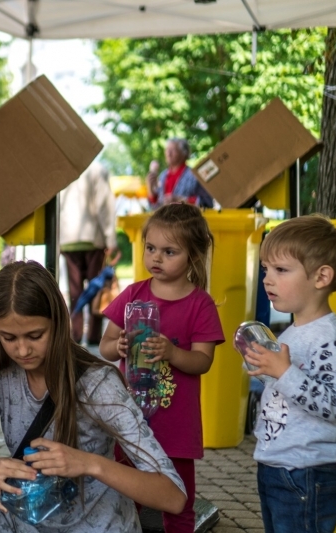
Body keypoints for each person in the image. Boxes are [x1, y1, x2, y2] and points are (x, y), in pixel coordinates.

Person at [0, 260, 186, 532]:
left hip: (99, 526)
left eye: (35, 335)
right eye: (9, 337)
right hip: (23, 521)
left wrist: (90, 464)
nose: (22, 351)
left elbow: (173, 496)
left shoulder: (97, 384)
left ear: (57, 323)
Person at [99, 202, 224, 532]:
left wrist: (171, 352)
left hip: (177, 428)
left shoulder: (200, 304)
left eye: (169, 251)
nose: (156, 257)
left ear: (193, 256)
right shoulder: (132, 294)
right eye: (150, 248)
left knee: (179, 501)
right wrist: (119, 345)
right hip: (131, 423)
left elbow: (203, 361)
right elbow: (106, 346)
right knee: (125, 497)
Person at [242, 215, 336, 533]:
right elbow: (290, 389)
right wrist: (265, 370)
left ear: (321, 277)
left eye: (281, 270)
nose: (267, 280)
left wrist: (284, 371)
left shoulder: (329, 337)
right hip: (278, 465)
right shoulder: (293, 331)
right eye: (265, 270)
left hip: (307, 471)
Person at [59, 162, 118, 345]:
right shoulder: (97, 170)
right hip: (93, 239)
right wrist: (111, 239)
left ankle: (75, 336)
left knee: (75, 292)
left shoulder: (63, 168)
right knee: (97, 289)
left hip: (68, 238)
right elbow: (104, 207)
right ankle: (94, 337)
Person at [147, 138, 213, 208]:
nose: (169, 153)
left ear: (184, 153)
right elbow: (155, 207)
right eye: (167, 150)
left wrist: (181, 200)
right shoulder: (163, 176)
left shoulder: (194, 176)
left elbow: (207, 203)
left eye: (173, 150)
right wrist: (150, 189)